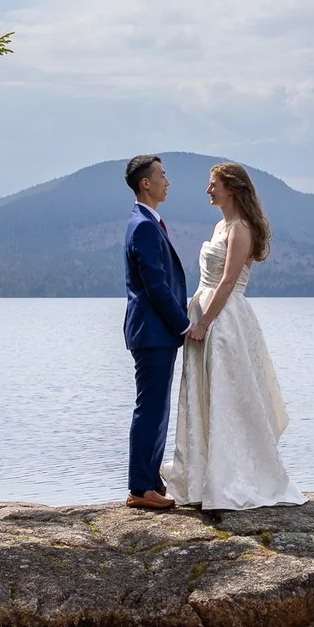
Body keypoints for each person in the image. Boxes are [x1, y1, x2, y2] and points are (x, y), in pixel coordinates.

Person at [162, 162, 303, 513]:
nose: (208, 191)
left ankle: (232, 478)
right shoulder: (220, 225)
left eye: (214, 185)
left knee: (226, 394)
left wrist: (205, 322)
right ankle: (200, 476)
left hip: (223, 320)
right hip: (205, 310)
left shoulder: (241, 229)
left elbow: (227, 281)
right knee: (203, 395)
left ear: (233, 189)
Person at [121, 154, 190, 511]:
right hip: (153, 331)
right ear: (145, 183)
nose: (167, 181)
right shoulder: (144, 226)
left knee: (156, 407)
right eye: (162, 175)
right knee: (150, 408)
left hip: (156, 332)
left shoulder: (148, 222)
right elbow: (156, 286)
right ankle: (140, 487)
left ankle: (151, 481)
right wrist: (185, 324)